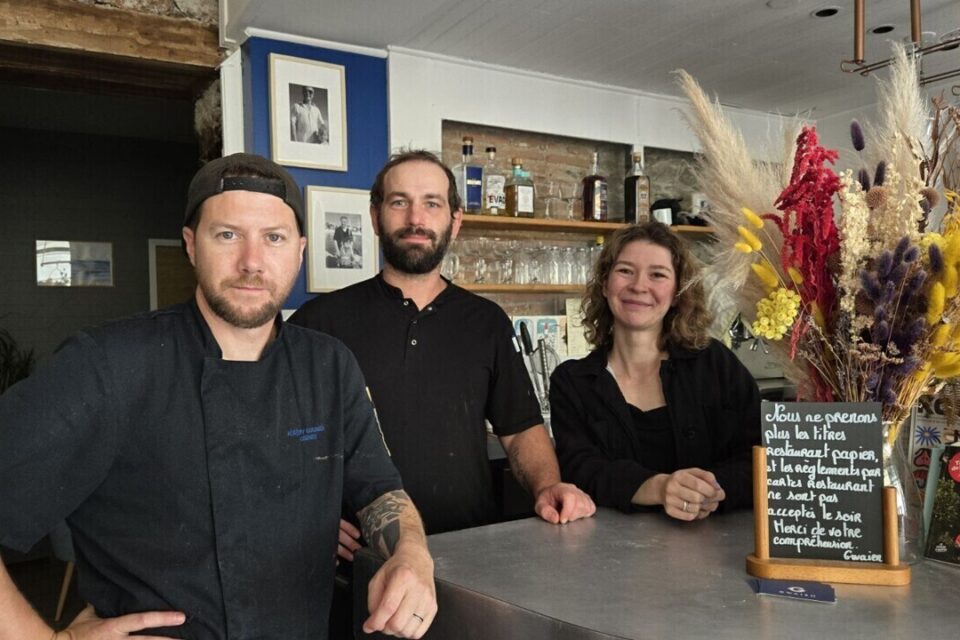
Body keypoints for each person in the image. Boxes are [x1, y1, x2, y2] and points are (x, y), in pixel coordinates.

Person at [0, 153, 436, 639]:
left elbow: (379, 488)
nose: (252, 262)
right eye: (227, 234)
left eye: (274, 238)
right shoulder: (108, 365)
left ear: (299, 249)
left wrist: (412, 553)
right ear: (191, 245)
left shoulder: (329, 366)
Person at [289, 150, 596, 543]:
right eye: (399, 202)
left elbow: (520, 432)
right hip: (359, 560)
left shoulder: (487, 323)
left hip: (468, 551)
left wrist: (546, 486)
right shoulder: (318, 323)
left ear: (455, 222)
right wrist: (309, 513)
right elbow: (282, 437)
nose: (416, 219)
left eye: (431, 204)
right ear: (374, 217)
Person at [549, 222, 760, 520]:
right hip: (605, 554)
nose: (638, 285)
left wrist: (708, 493)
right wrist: (660, 488)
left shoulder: (715, 363)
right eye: (625, 270)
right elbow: (580, 469)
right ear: (605, 283)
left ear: (677, 292)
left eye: (658, 275)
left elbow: (759, 457)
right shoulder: (572, 381)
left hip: (715, 548)